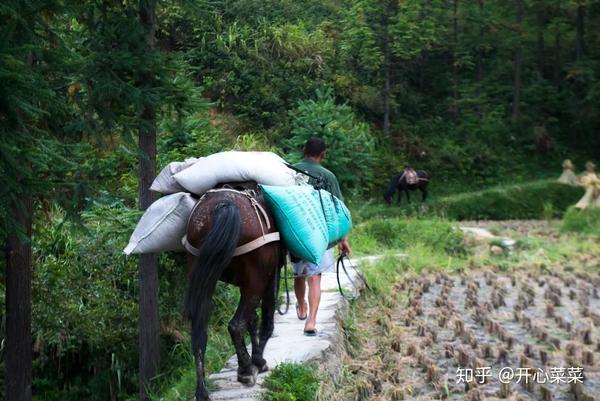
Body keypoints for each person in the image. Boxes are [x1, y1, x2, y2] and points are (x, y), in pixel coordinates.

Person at [293, 137, 352, 336]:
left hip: (294, 233)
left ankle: (301, 307)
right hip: (319, 234)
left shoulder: (290, 171)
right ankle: (311, 321)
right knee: (315, 277)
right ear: (323, 154)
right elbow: (338, 210)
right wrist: (343, 240)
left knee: (299, 274)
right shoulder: (328, 176)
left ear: (304, 149)